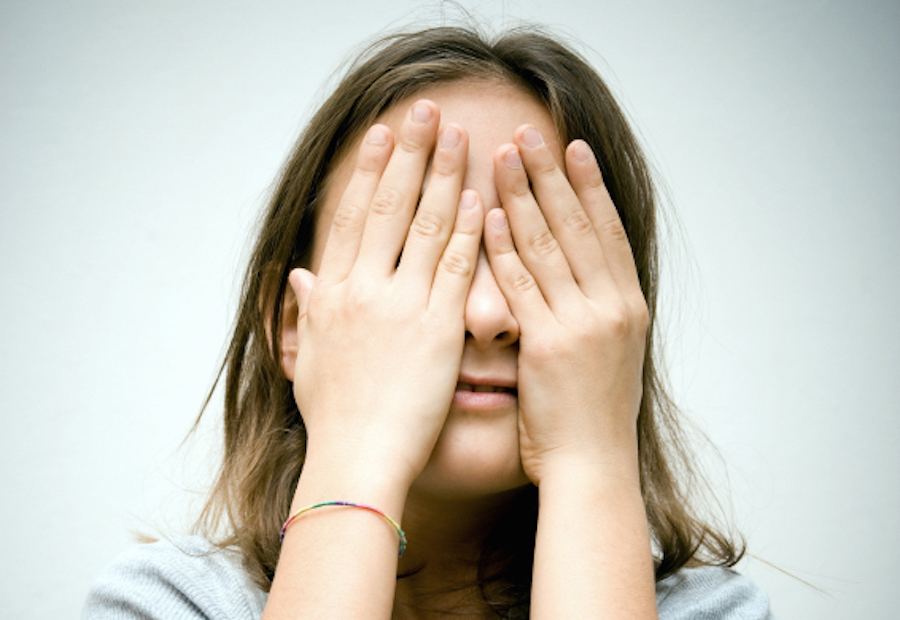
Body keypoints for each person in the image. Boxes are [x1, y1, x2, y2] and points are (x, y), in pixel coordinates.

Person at [83, 25, 773, 619]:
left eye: (540, 261)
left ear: (620, 331)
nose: (486, 315)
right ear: (294, 325)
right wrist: (356, 448)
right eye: (419, 254)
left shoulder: (708, 611)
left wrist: (591, 461)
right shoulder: (168, 602)